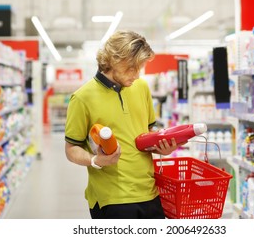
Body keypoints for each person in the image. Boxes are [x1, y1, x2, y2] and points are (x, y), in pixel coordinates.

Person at [64, 30, 178, 219]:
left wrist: (162, 146)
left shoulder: (141, 87)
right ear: (114, 60)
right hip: (112, 198)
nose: (136, 75)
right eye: (131, 68)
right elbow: (71, 148)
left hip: (150, 191)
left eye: (139, 68)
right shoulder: (82, 98)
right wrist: (95, 160)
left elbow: (148, 131)